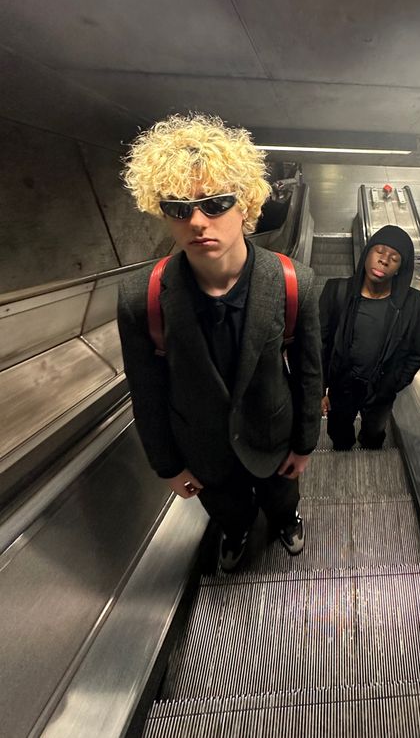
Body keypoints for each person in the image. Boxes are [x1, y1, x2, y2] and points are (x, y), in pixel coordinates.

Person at [117, 114, 322, 571]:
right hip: (202, 448)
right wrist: (167, 465)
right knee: (227, 509)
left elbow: (310, 373)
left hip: (273, 436)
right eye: (179, 208)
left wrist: (306, 443)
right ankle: (236, 531)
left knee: (281, 496)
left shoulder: (294, 283)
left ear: (245, 206)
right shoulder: (142, 297)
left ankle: (286, 521)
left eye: (215, 203)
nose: (197, 222)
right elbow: (146, 392)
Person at [319, 225, 420, 450]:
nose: (384, 260)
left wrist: (395, 383)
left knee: (374, 435)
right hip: (342, 386)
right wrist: (320, 389)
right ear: (367, 253)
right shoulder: (336, 291)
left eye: (394, 258)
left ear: (400, 268)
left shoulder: (412, 302)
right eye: (379, 251)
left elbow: (419, 349)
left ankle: (370, 447)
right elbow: (318, 343)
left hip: (381, 390)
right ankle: (343, 453)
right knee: (339, 435)